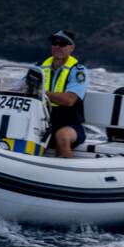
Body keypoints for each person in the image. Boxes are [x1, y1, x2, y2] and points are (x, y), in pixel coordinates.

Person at [39, 29, 89, 157]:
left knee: (62, 136)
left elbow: (69, 100)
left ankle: (67, 172)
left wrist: (40, 92)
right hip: (40, 122)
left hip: (69, 124)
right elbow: (20, 88)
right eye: (54, 43)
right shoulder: (38, 68)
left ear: (71, 47)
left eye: (62, 44)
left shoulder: (78, 72)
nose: (57, 46)